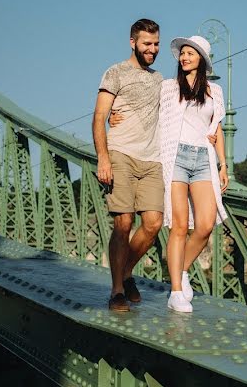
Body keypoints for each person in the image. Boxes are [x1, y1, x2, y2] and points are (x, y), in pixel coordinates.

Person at [92, 19, 164, 312]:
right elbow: (99, 117)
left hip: (152, 159)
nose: (153, 49)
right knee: (123, 223)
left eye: (157, 44)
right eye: (147, 43)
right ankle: (117, 290)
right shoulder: (115, 72)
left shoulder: (161, 80)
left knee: (153, 223)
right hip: (121, 153)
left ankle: (125, 271)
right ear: (133, 42)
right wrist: (103, 157)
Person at [158, 35, 229, 313]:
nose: (185, 57)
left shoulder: (215, 91)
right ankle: (176, 291)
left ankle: (182, 270)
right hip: (175, 157)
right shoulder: (167, 87)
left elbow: (217, 128)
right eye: (183, 53)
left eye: (191, 53)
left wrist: (223, 164)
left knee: (205, 225)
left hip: (203, 159)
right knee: (178, 225)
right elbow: (144, 110)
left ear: (202, 59)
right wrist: (115, 114)